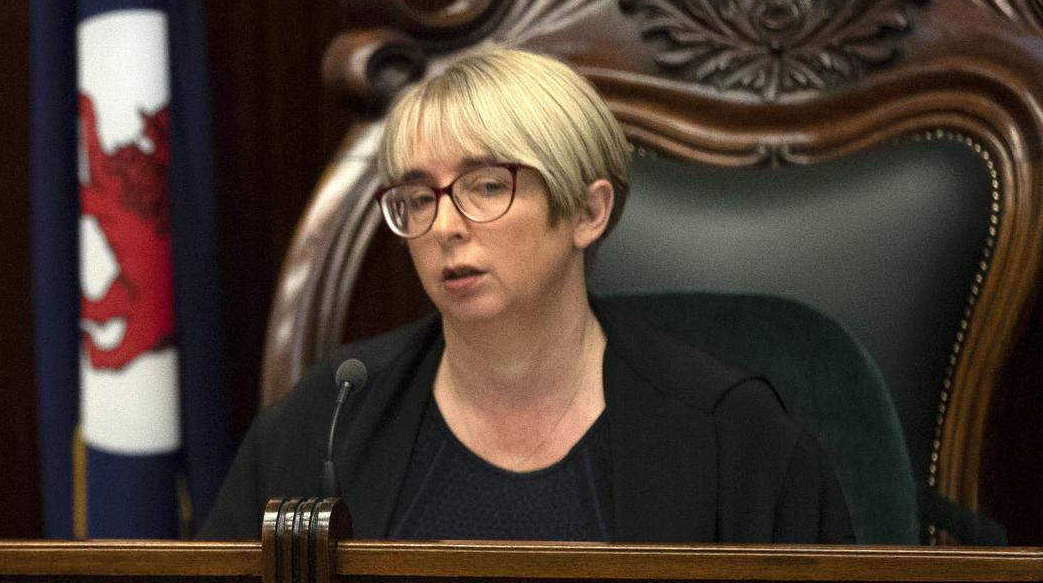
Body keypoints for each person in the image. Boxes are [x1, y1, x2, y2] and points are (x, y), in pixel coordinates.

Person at [198, 47, 854, 542]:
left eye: (486, 186)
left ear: (587, 213)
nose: (447, 225)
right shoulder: (329, 420)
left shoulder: (730, 438)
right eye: (419, 197)